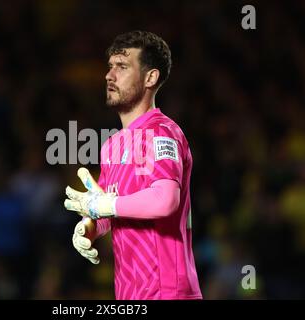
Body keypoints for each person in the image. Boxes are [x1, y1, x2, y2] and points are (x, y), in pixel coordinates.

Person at [64, 31, 202, 300]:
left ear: (150, 77)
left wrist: (105, 205)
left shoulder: (162, 132)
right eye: (110, 66)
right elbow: (107, 210)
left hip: (168, 292)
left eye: (122, 67)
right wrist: (89, 227)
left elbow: (164, 201)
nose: (109, 75)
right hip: (129, 294)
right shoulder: (111, 146)